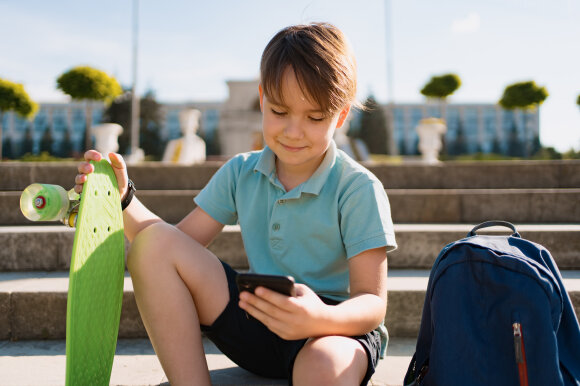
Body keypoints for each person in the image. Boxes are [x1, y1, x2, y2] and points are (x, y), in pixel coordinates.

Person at [75, 22, 397, 386]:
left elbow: (372, 303)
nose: (293, 131)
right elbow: (171, 245)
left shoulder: (357, 187)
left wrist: (317, 318)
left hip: (336, 332)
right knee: (152, 245)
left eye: (315, 117)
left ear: (340, 117)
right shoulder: (241, 172)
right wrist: (121, 199)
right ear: (262, 100)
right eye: (279, 111)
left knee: (323, 364)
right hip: (260, 321)